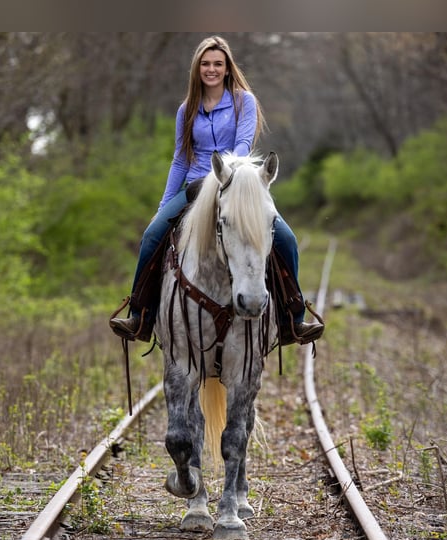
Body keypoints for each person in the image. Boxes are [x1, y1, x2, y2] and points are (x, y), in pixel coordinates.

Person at [110, 35, 323, 347]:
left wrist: (230, 177)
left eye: (217, 64)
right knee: (152, 234)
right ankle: (141, 316)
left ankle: (293, 320)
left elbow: (241, 146)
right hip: (196, 185)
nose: (211, 69)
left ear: (227, 68)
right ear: (197, 68)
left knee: (286, 239)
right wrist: (165, 203)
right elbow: (180, 159)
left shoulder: (243, 101)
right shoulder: (187, 109)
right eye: (205, 64)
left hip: (236, 185)